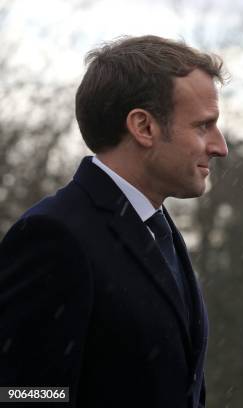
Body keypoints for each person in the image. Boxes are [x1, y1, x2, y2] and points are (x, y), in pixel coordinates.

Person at [0, 35, 228, 407]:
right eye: (203, 125)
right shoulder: (53, 237)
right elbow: (20, 395)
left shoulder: (160, 230)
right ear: (144, 127)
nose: (220, 146)